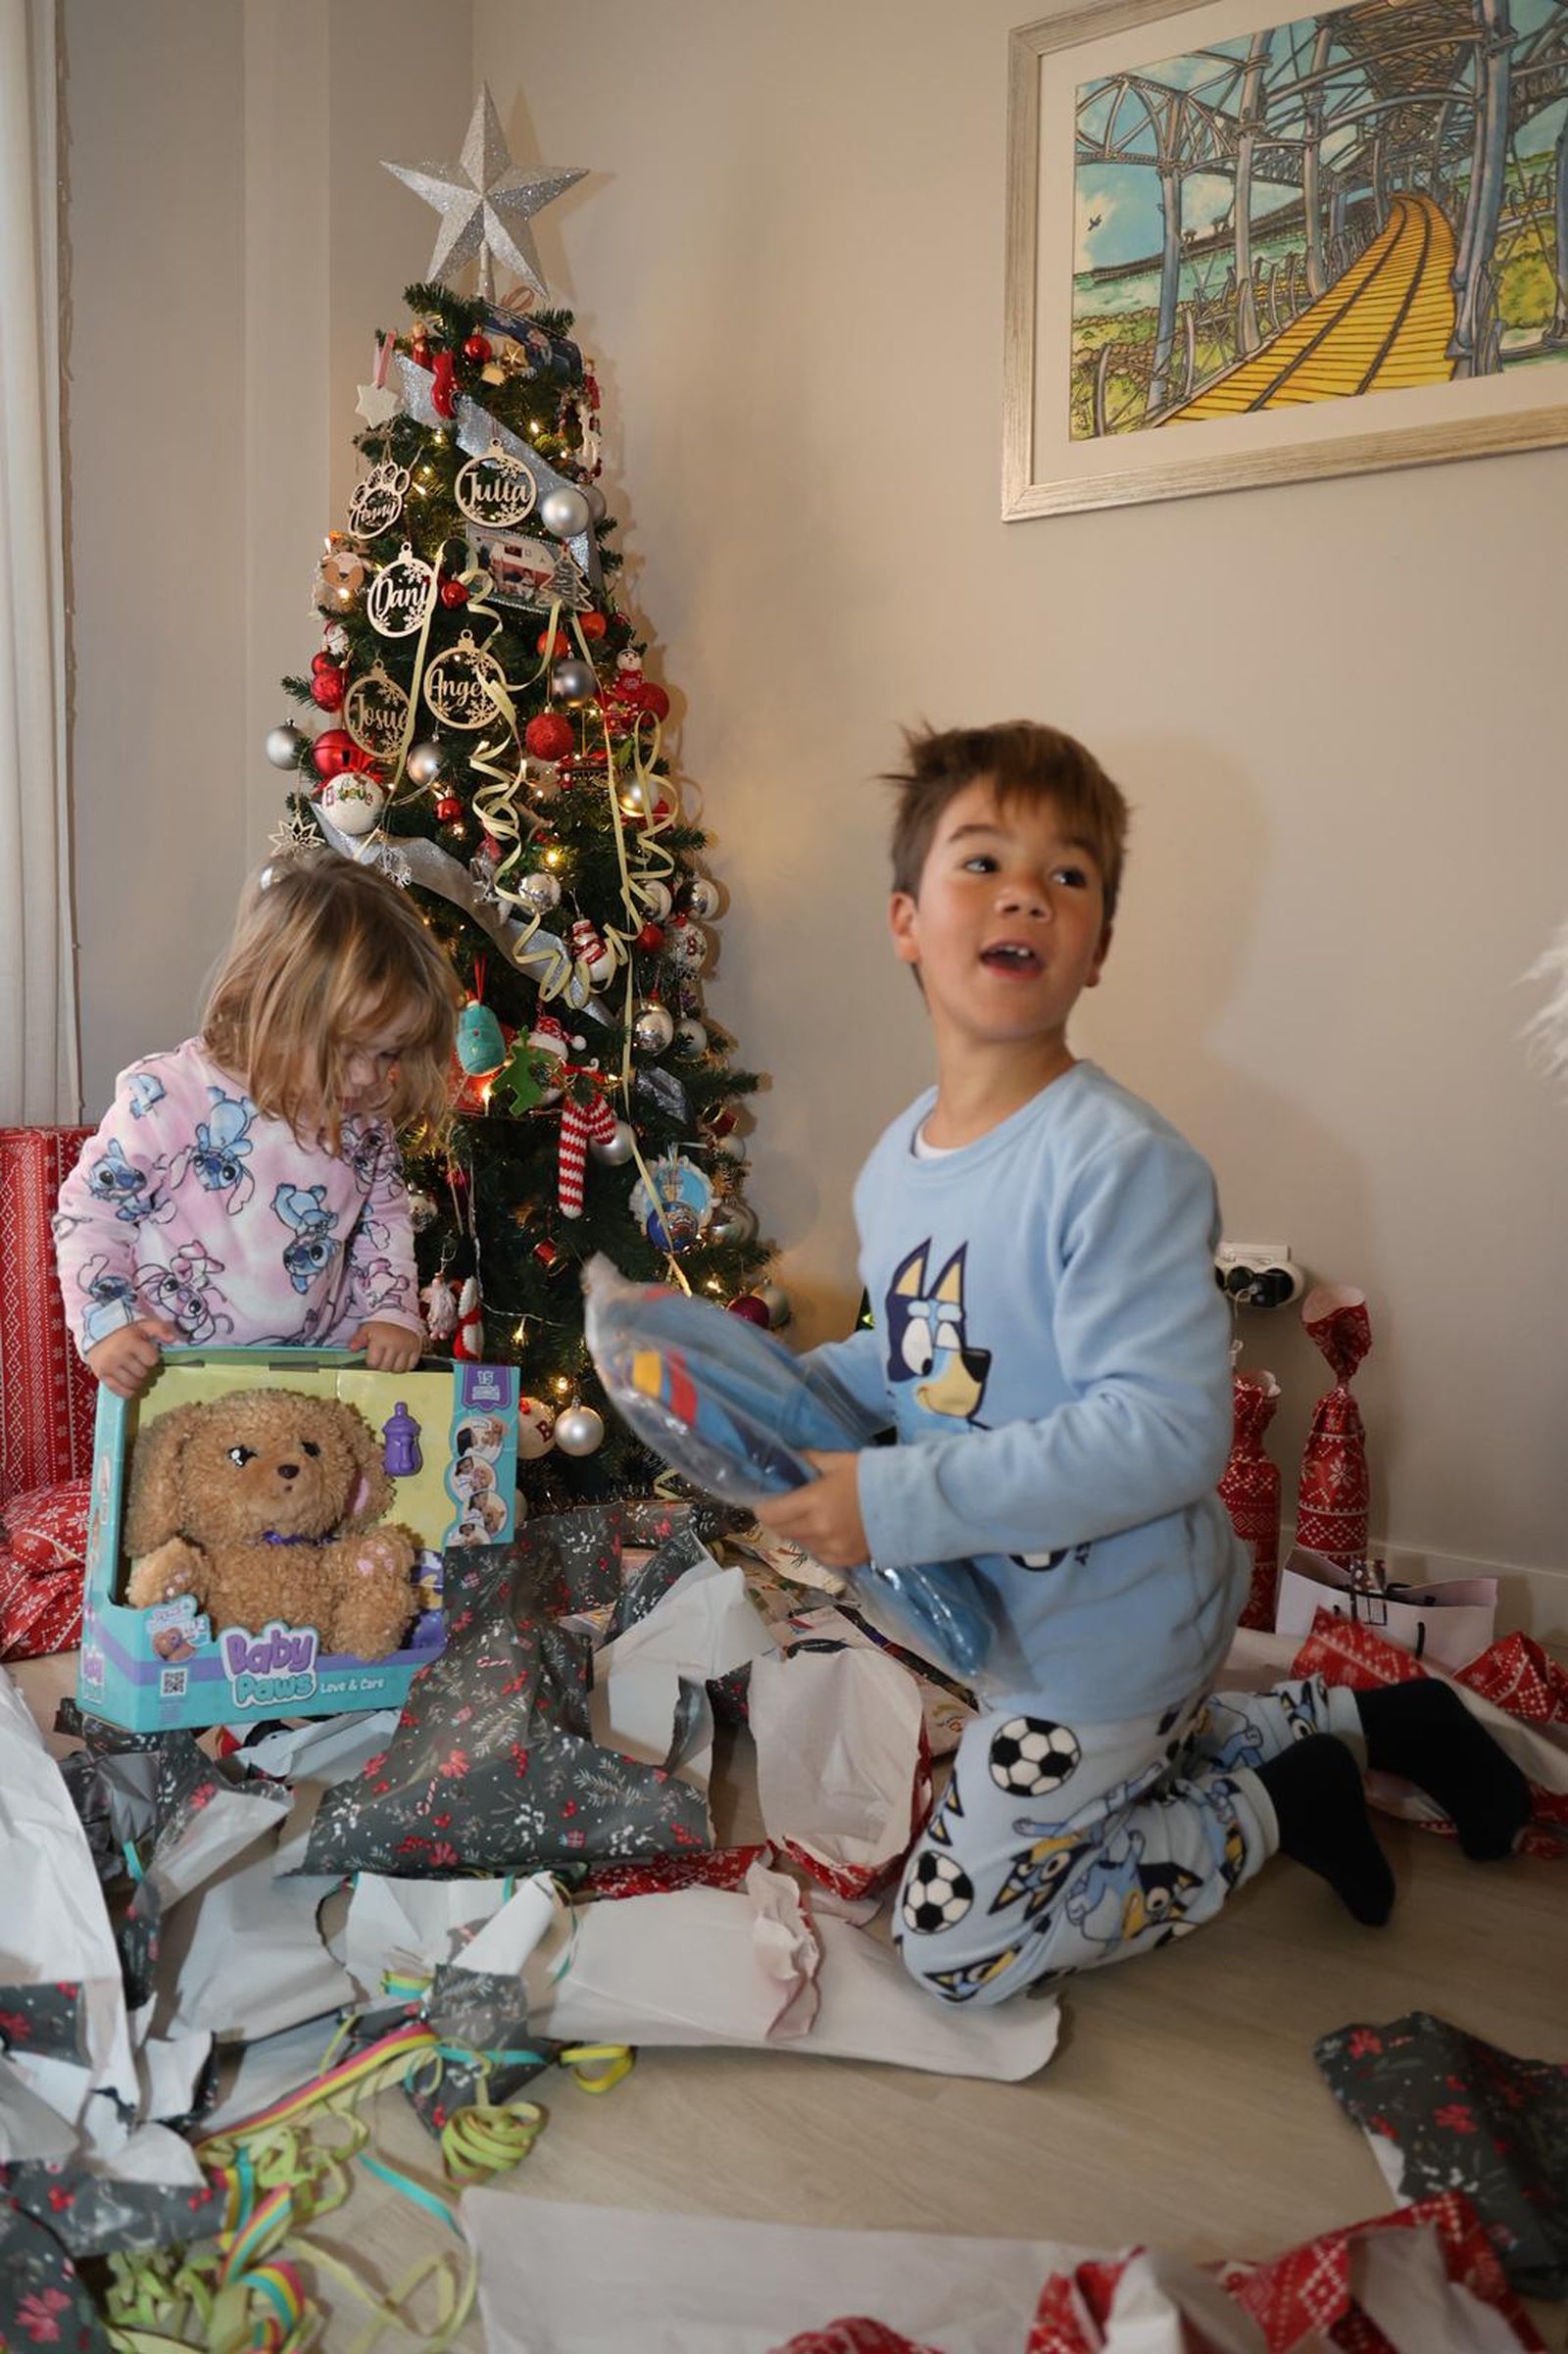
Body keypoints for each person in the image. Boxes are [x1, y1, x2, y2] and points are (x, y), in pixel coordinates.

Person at [757, 722, 1528, 2003]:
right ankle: (1372, 1720)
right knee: (1132, 1756)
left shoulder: (1118, 1163)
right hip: (1032, 1626)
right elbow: (917, 1355)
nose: (1025, 892)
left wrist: (889, 1500)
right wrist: (807, 1393)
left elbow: (1168, 1431)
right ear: (904, 919)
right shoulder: (898, 1163)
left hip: (1104, 1643)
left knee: (951, 1944)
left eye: (1069, 875)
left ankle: (1282, 1802)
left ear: (1099, 947)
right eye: (983, 861)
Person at [55, 854, 460, 1400]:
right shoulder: (167, 1097)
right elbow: (92, 1215)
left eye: (386, 1051)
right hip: (179, 1380)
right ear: (274, 1008)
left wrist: (393, 1310)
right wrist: (107, 1322)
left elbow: (381, 1220)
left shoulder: (363, 1115)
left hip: (318, 1378)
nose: (366, 1077)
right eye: (342, 1052)